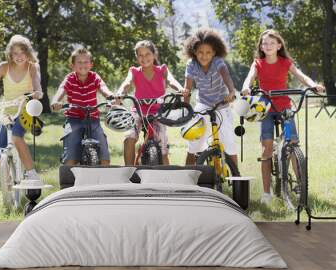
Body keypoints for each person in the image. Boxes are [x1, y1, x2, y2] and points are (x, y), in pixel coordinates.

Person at [241, 29, 325, 204]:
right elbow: (249, 78)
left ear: (279, 45)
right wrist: (246, 87)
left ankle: (301, 187)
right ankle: (266, 193)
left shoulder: (286, 62)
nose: (268, 46)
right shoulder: (258, 63)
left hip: (284, 108)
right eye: (265, 43)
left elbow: (302, 77)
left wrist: (313, 85)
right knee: (266, 150)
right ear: (261, 47)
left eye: (272, 43)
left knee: (293, 145)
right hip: (265, 109)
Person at [116, 40, 186, 166]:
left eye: (147, 54)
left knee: (162, 146)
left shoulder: (162, 70)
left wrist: (180, 89)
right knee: (129, 138)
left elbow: (171, 80)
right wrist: (120, 93)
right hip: (138, 111)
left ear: (154, 55)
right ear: (137, 58)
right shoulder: (134, 71)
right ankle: (128, 172)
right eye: (140, 55)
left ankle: (167, 179)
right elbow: (126, 83)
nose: (144, 58)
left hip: (157, 112)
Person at [0, 34, 43, 180]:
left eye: (22, 52)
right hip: (6, 112)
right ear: (10, 54)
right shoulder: (4, 67)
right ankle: (5, 183)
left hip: (24, 110)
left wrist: (37, 93)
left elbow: (37, 85)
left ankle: (32, 174)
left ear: (28, 53)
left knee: (16, 137)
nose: (19, 56)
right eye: (15, 53)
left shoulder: (32, 68)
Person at [182, 28, 238, 166]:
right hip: (203, 105)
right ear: (194, 52)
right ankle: (187, 177)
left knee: (229, 144)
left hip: (221, 104)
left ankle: (236, 180)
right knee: (194, 143)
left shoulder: (218, 62)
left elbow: (226, 76)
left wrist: (231, 91)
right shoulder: (191, 64)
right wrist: (186, 109)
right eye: (200, 52)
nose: (204, 56)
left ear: (214, 52)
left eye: (208, 52)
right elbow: (187, 89)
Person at [51, 47, 114, 166]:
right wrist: (56, 101)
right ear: (73, 65)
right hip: (74, 118)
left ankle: (106, 176)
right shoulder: (70, 79)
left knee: (103, 148)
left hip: (93, 118)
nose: (83, 64)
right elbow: (61, 90)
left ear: (91, 64)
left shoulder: (94, 77)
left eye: (86, 62)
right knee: (71, 152)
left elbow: (103, 87)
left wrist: (110, 96)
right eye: (79, 62)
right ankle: (69, 180)